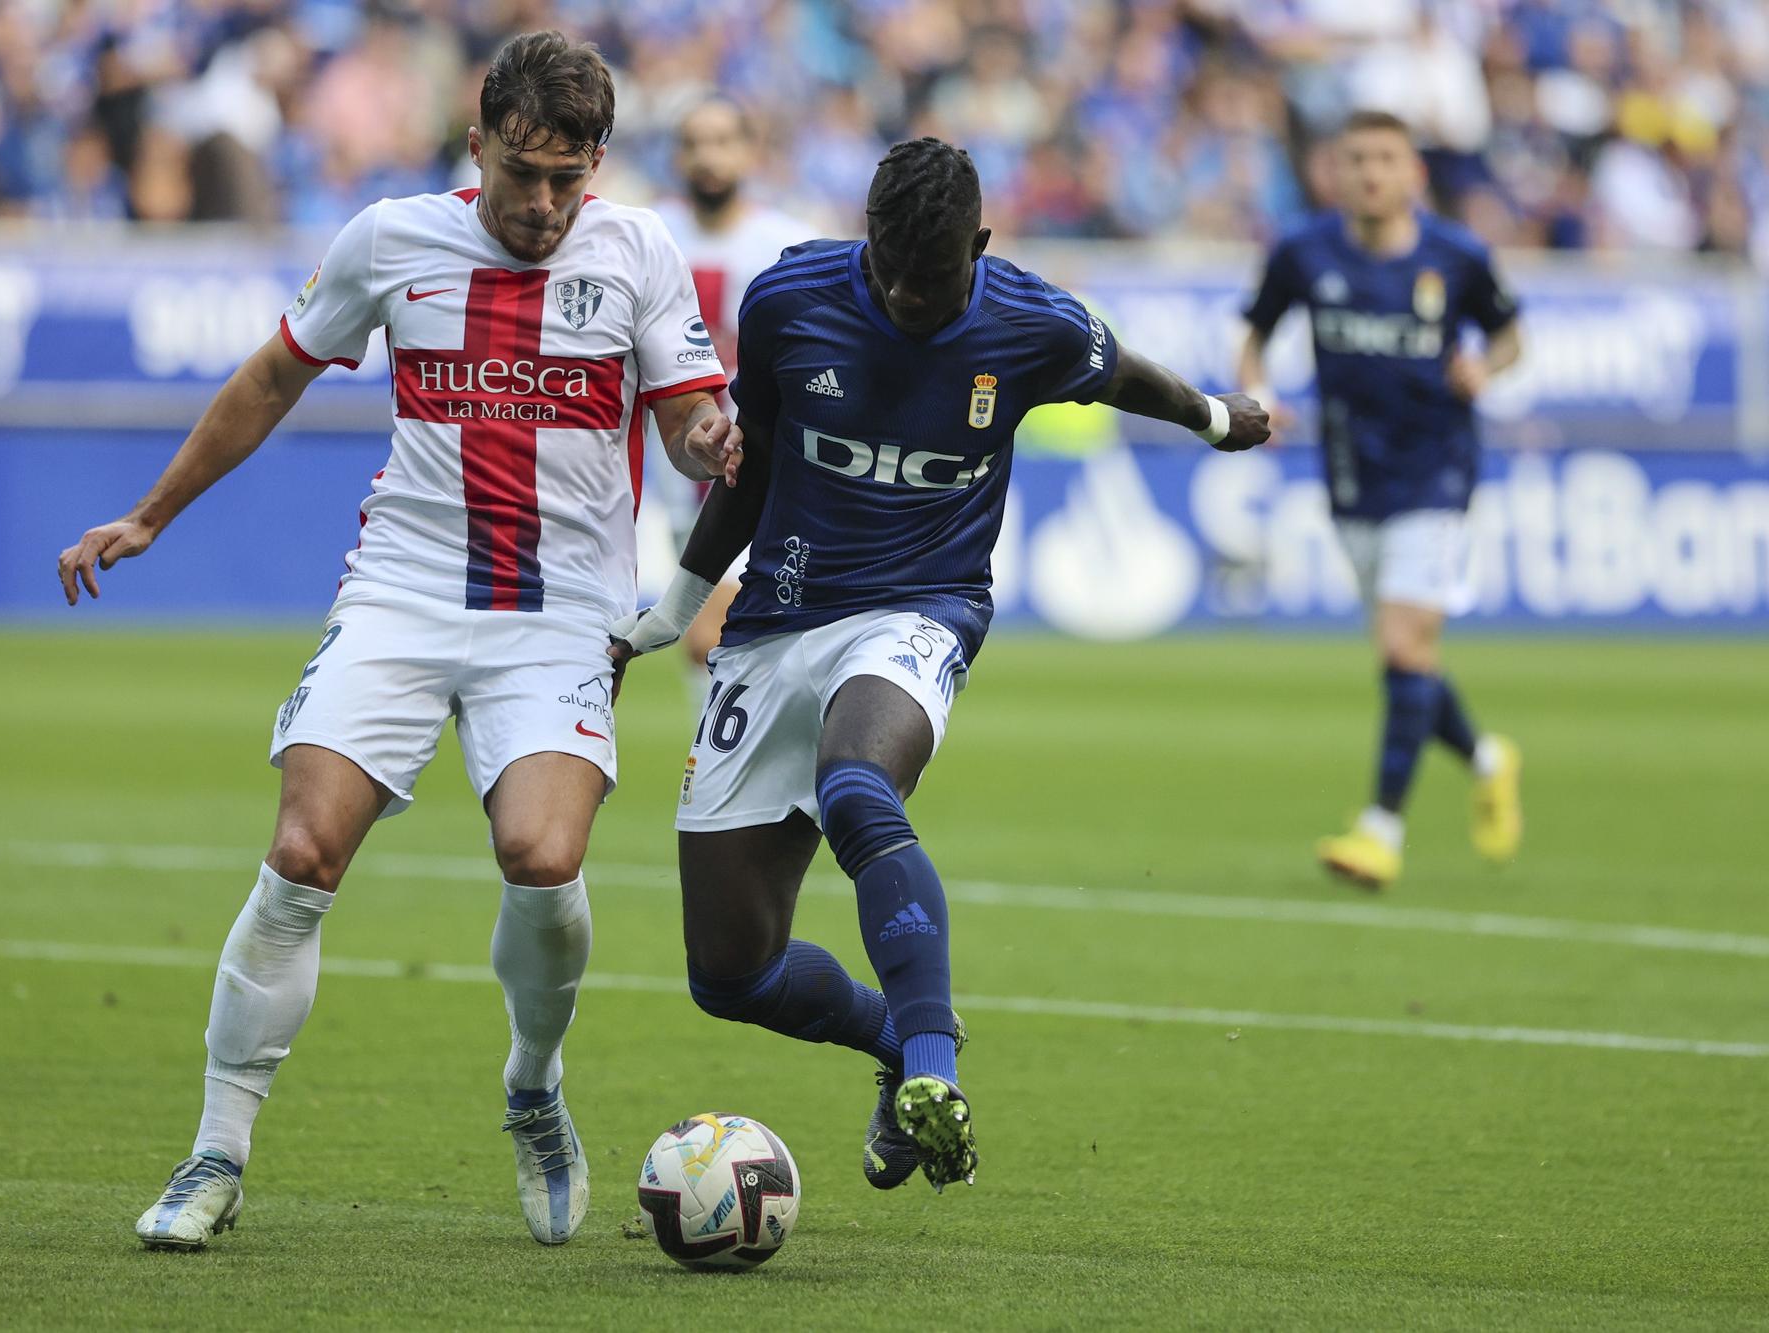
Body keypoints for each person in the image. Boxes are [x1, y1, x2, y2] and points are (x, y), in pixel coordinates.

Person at [55, 31, 737, 1250]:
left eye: (565, 180)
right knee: (304, 849)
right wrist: (151, 514)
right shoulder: (389, 239)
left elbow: (686, 417)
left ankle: (532, 1084)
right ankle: (215, 1152)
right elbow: (273, 376)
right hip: (404, 591)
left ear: (595, 167)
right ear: (475, 143)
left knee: (539, 855)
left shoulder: (637, 251)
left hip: (561, 612)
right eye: (521, 173)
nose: (540, 204)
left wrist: (710, 445)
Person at [611, 138, 1269, 1192]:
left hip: (920, 609)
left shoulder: (1028, 321)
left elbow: (1118, 373)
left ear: (980, 246)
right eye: (891, 273)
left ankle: (930, 1068)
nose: (908, 298)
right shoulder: (788, 301)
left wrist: (1210, 417)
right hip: (777, 620)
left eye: (933, 280)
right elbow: (751, 463)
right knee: (728, 974)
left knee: (856, 784)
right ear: (866, 238)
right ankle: (890, 1044)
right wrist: (675, 610)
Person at [1236, 109, 1525, 892]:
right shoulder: (1302, 252)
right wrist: (1258, 394)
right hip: (1351, 476)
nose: (1370, 173)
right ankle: (1490, 759)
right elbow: (1255, 334)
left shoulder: (1457, 257)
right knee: (1410, 660)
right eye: (1355, 158)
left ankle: (1380, 830)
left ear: (1413, 174)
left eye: (1386, 160)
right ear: (1335, 171)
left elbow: (1509, 335)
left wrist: (1484, 371)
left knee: (1402, 648)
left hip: (1437, 473)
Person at [647, 96, 813, 680]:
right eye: (694, 143)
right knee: (712, 657)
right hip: (674, 473)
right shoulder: (648, 236)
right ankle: (712, 766)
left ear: (749, 151)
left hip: (764, 471)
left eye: (722, 141)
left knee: (713, 637)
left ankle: (723, 765)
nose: (707, 157)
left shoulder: (789, 244)